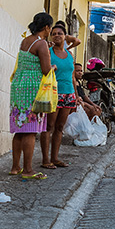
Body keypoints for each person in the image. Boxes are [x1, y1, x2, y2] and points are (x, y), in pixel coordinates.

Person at [9, 13, 53, 179]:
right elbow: (46, 69)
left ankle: (15, 167)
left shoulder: (26, 41)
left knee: (20, 129)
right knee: (30, 131)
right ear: (47, 27)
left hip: (18, 87)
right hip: (33, 89)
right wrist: (53, 66)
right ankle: (28, 170)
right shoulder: (41, 44)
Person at [41, 21, 82, 167]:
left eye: (60, 33)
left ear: (65, 36)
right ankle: (45, 160)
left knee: (60, 128)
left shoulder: (69, 54)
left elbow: (72, 77)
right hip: (53, 94)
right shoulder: (48, 51)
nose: (57, 36)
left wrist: (76, 96)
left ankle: (55, 158)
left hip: (68, 94)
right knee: (49, 126)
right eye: (54, 34)